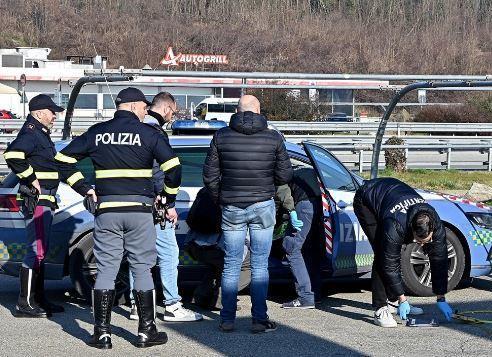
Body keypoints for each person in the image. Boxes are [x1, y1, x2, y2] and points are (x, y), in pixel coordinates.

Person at [56, 87, 179, 348]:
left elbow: (62, 159)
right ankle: (146, 332)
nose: (146, 111)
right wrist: (168, 199)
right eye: (144, 107)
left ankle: (102, 333)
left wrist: (85, 188)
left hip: (107, 212)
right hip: (139, 212)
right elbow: (173, 168)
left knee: (106, 270)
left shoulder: (97, 133)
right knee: (142, 268)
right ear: (134, 106)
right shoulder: (148, 133)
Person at [203, 95, 293, 333]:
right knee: (260, 265)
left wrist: (221, 199)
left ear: (237, 110)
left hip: (231, 206)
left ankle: (227, 319)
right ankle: (259, 319)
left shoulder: (221, 136)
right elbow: (285, 175)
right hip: (263, 204)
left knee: (231, 264)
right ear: (259, 110)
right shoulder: (273, 137)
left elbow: (210, 176)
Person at [127, 92, 202, 322]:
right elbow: (160, 170)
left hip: (135, 201)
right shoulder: (155, 133)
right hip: (154, 204)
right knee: (169, 253)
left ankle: (135, 305)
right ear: (167, 109)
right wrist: (168, 202)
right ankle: (172, 305)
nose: (172, 116)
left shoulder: (135, 130)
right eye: (173, 111)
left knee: (138, 255)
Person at [353, 177, 454, 328]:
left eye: (426, 240)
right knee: (382, 253)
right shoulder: (395, 225)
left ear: (433, 229)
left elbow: (439, 260)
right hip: (367, 199)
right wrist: (403, 298)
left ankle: (393, 302)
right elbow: (389, 263)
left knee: (395, 252)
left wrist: (441, 298)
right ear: (410, 229)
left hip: (392, 193)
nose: (421, 244)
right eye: (419, 240)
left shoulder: (437, 224)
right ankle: (381, 308)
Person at [3, 94, 66, 318]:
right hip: (37, 200)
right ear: (39, 113)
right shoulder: (31, 132)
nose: (55, 116)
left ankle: (39, 299)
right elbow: (11, 154)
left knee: (41, 251)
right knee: (35, 251)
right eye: (52, 112)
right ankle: (25, 303)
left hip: (45, 200)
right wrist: (31, 179)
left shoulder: (40, 134)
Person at [184, 187, 251, 310]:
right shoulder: (238, 194)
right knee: (250, 263)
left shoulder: (204, 191)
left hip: (194, 246)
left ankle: (201, 295)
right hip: (218, 248)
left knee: (216, 266)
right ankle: (222, 297)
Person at [276, 167, 323, 309]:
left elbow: (281, 197)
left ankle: (305, 297)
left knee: (291, 247)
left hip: (303, 206)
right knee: (309, 248)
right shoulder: (308, 170)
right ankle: (315, 294)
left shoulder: (280, 173)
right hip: (319, 204)